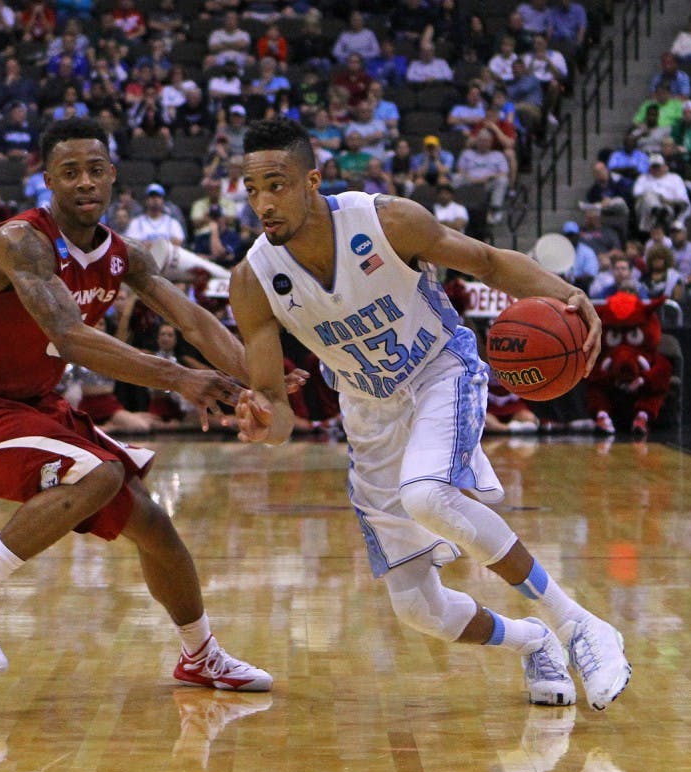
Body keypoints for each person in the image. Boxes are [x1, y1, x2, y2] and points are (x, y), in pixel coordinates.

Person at [230, 118, 631, 711]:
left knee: (427, 494)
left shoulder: (386, 219)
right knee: (419, 609)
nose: (264, 202)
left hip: (441, 370)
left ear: (312, 180)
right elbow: (280, 414)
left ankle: (578, 626)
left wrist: (566, 293)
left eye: (277, 184)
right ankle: (533, 641)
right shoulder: (254, 281)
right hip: (368, 415)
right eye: (252, 188)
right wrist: (264, 425)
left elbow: (490, 262)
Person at [0, 117, 277, 689]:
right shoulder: (19, 242)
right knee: (99, 473)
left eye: (96, 170)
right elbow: (70, 334)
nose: (85, 182)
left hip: (35, 407)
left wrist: (262, 379)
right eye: (70, 172)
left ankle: (199, 653)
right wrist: (178, 378)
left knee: (154, 526)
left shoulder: (121, 254)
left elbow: (192, 320)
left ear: (113, 178)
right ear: (48, 181)